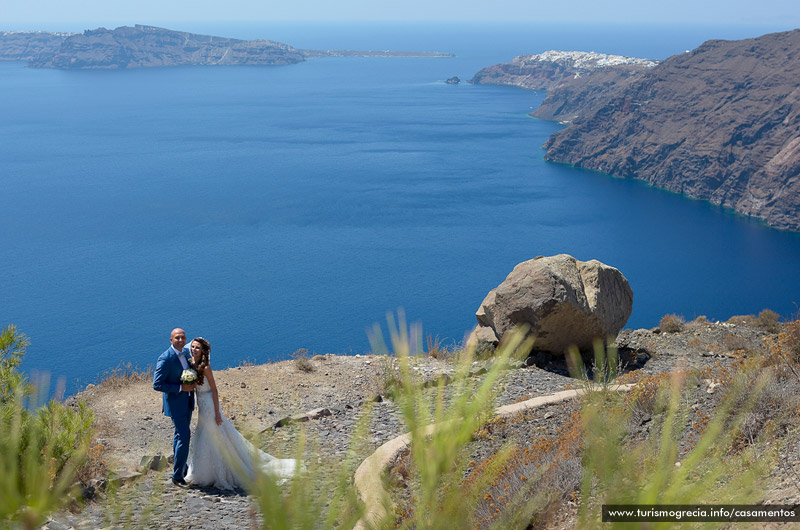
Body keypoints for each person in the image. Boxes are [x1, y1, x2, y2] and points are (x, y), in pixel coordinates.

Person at [185, 337, 297, 490]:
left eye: (197, 347)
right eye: (192, 347)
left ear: (203, 350)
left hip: (209, 404)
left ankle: (220, 471)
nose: (194, 349)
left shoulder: (206, 368)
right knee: (204, 432)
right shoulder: (191, 364)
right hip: (201, 405)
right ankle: (204, 470)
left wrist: (218, 413)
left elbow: (215, 390)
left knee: (213, 435)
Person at [153, 328, 196, 488]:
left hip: (188, 401)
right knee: (184, 436)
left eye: (183, 337)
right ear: (170, 340)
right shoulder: (165, 358)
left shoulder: (186, 352)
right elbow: (157, 384)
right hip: (175, 404)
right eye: (177, 337)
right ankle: (177, 476)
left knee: (179, 436)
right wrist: (180, 388)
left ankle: (182, 468)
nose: (180, 340)